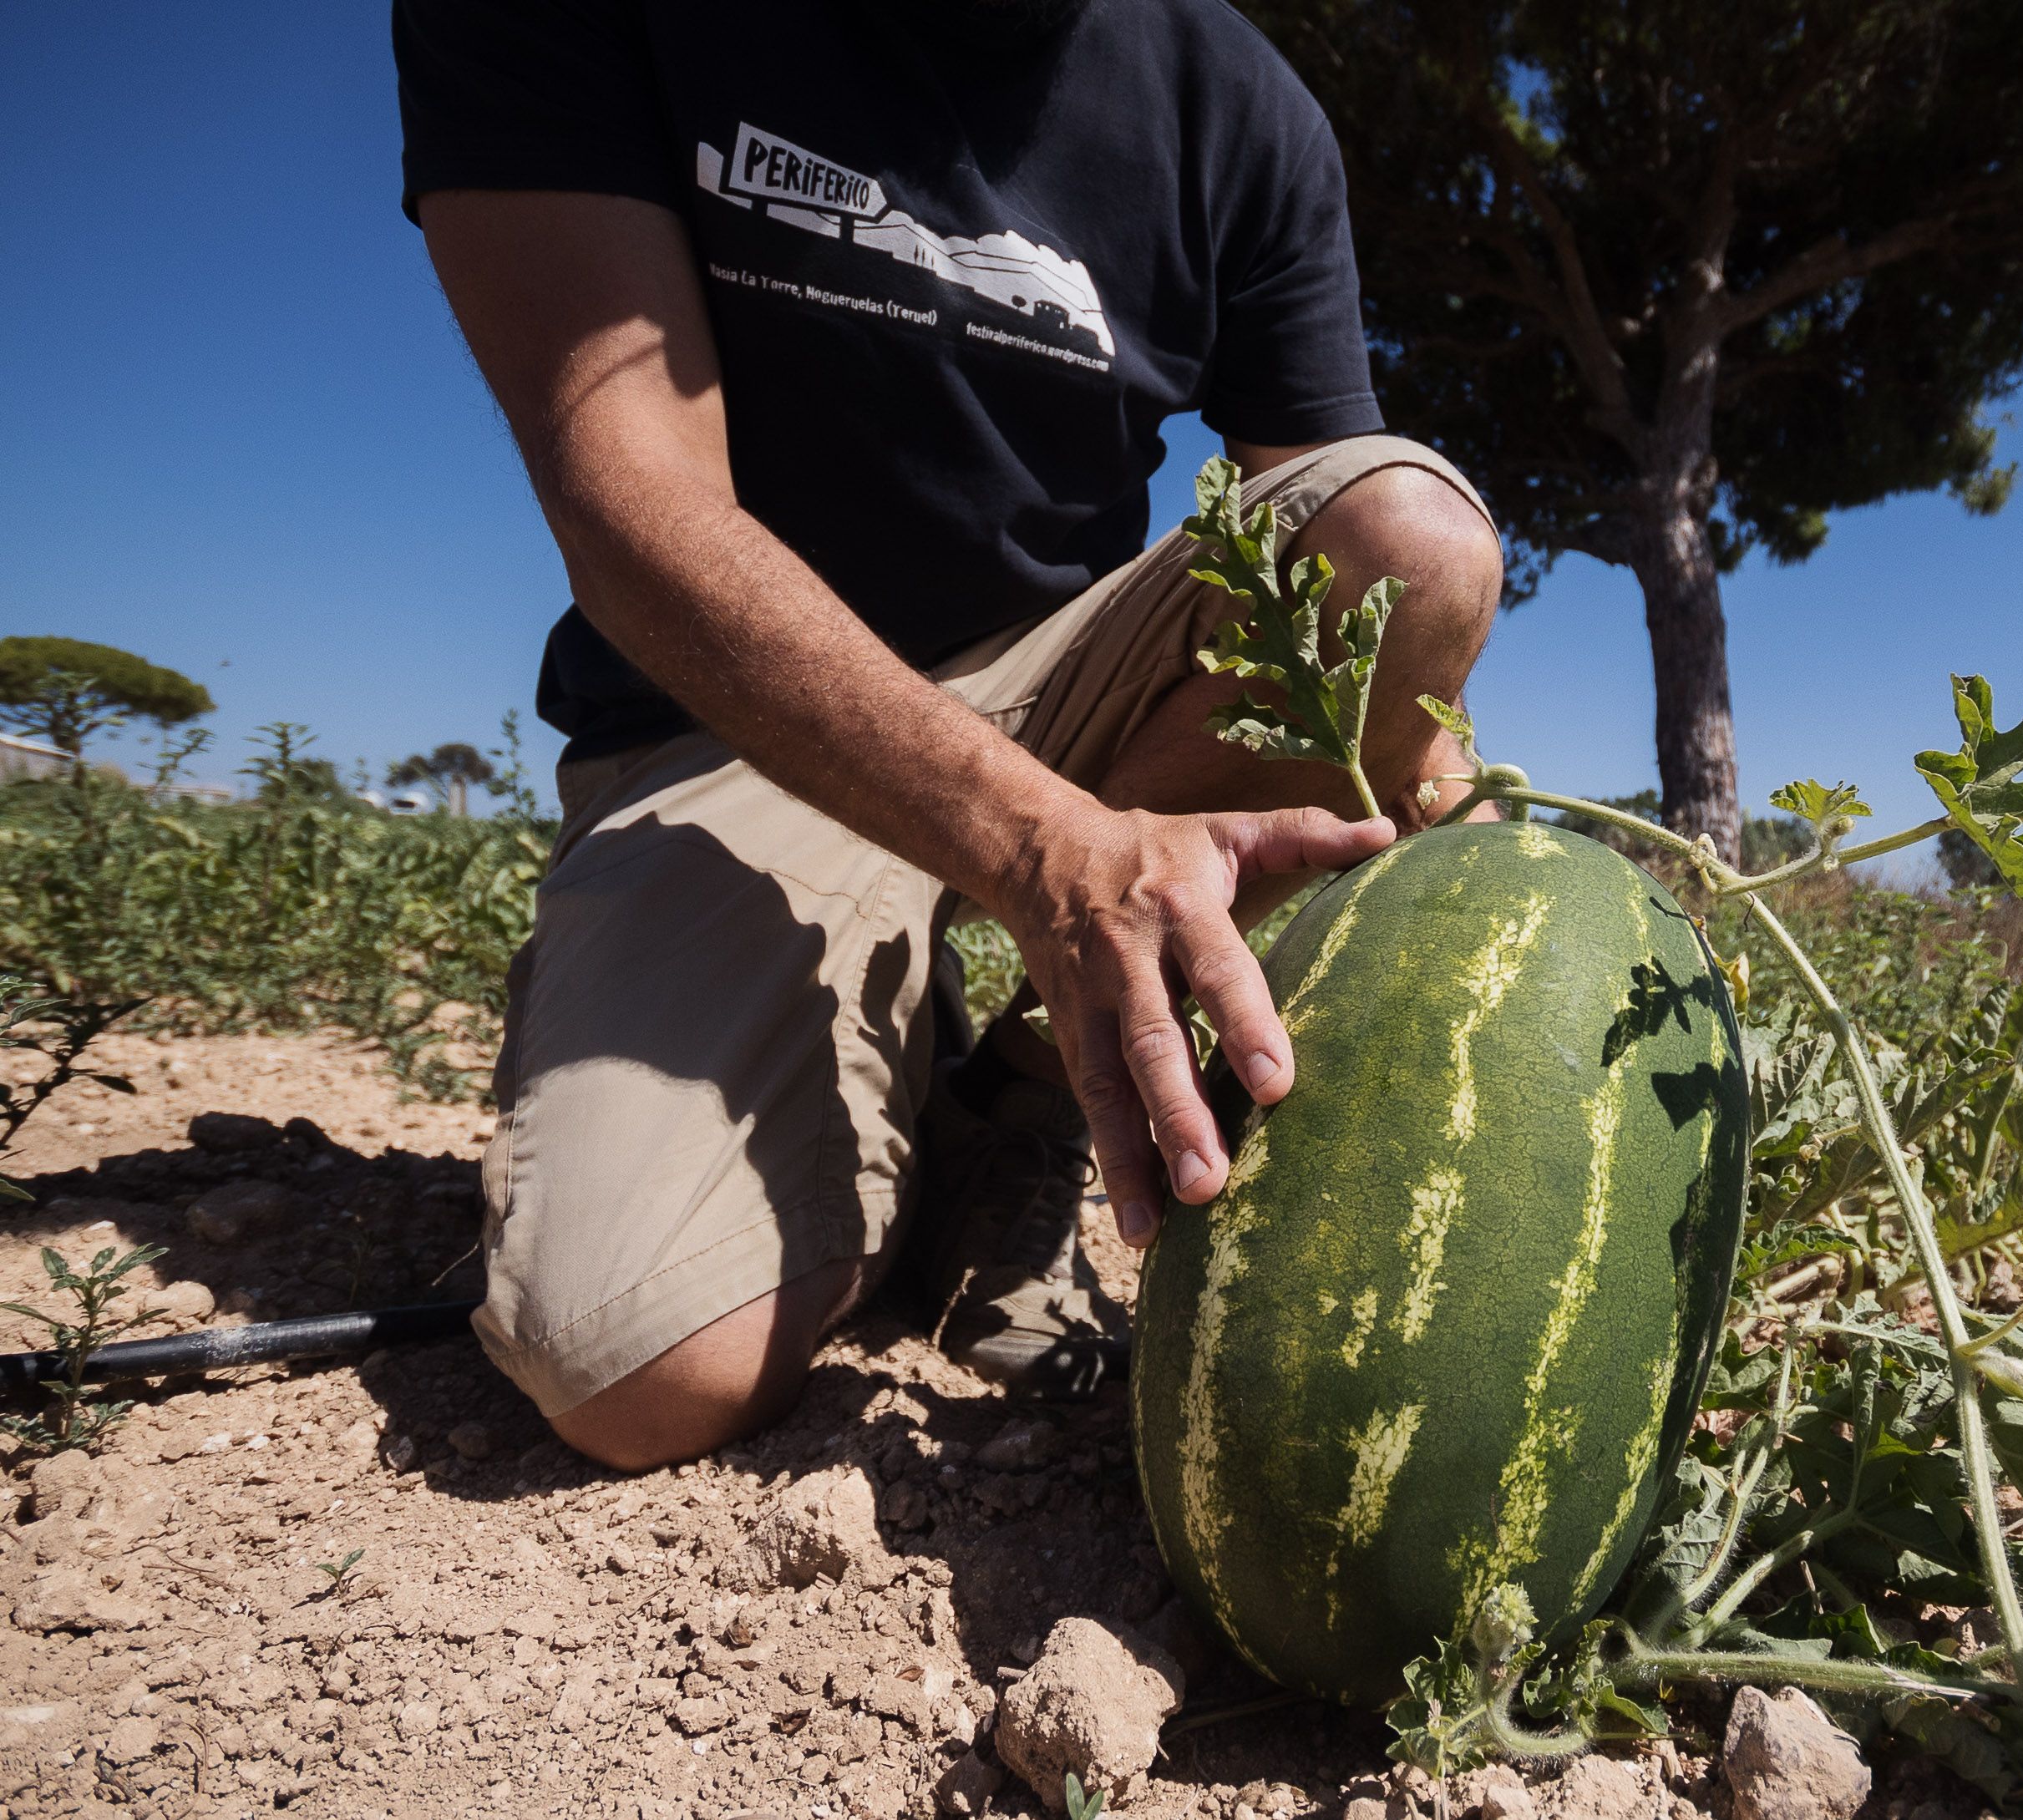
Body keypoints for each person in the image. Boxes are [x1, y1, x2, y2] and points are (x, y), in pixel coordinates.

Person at [394, 0, 1502, 1470]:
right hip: (725, 727)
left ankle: (1016, 1108)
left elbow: (1334, 569)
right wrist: (1037, 850)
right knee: (637, 1366)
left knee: (1414, 541)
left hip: (1069, 691)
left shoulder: (1236, 96)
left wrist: (1429, 759)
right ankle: (860, 1039)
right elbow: (629, 506)